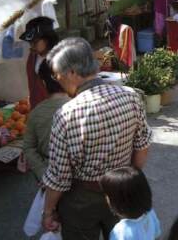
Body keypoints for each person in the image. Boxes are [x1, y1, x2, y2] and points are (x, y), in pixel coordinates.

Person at [41, 38, 153, 240]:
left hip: (82, 199)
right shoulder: (131, 96)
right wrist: (129, 179)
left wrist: (48, 211)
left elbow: (59, 176)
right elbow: (142, 145)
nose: (57, 80)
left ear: (72, 73)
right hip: (123, 191)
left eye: (58, 76)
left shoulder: (67, 114)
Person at [23, 67, 70, 182]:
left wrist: (43, 173)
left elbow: (29, 148)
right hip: (77, 178)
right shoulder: (81, 106)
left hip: (48, 170)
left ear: (43, 83)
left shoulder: (36, 112)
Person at [100, 167, 161, 240]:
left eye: (108, 195)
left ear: (119, 203)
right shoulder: (150, 212)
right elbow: (157, 234)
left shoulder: (120, 231)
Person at [19, 16, 60, 109]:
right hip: (38, 108)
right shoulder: (32, 57)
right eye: (30, 43)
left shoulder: (60, 58)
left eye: (35, 42)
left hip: (57, 108)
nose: (32, 46)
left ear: (47, 39)